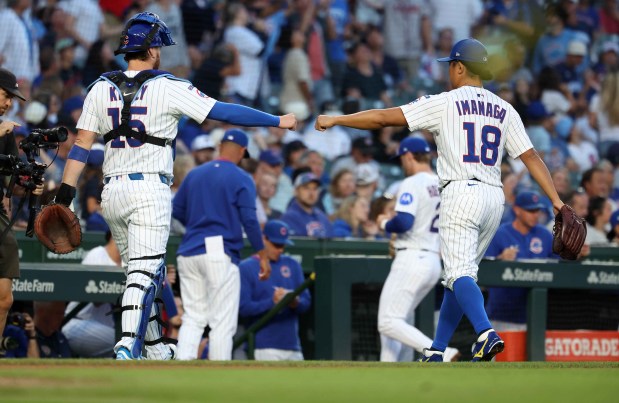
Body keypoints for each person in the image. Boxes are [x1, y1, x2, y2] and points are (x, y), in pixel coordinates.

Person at [54, 12, 296, 361]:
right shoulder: (168, 86)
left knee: (141, 271)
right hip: (149, 189)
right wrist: (276, 119)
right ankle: (127, 344)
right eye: (159, 47)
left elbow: (80, 144)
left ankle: (153, 348)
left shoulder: (100, 87)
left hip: (113, 192)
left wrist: (66, 190)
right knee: (144, 269)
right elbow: (222, 110)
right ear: (151, 50)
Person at [315, 38, 566, 362]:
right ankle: (436, 349)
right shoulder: (505, 108)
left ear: (460, 67)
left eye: (450, 64)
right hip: (494, 197)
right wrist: (557, 201)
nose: (449, 69)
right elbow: (530, 156)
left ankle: (485, 332)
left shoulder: (446, 102)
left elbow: (381, 119)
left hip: (461, 192)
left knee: (459, 274)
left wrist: (337, 119)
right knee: (459, 277)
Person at [173, 129, 271, 361]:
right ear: (242, 151)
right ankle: (219, 373)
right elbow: (250, 219)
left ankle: (182, 366)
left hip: (188, 250)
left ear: (219, 147)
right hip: (219, 249)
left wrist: (199, 225)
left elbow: (176, 210)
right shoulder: (241, 177)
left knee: (193, 317)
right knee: (222, 322)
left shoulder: (195, 174)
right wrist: (262, 255)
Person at [374, 137, 459, 363]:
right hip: (432, 259)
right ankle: (391, 369)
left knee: (388, 321)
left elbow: (403, 222)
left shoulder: (412, 182)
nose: (402, 163)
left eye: (402, 158)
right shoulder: (443, 183)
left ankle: (440, 351)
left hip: (412, 256)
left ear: (409, 156)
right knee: (399, 320)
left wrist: (383, 223)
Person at [0, 68, 43, 352]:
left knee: (4, 298)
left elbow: (12, 182)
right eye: (5, 95)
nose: (7, 104)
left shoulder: (5, 131)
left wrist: (29, 184)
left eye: (11, 99)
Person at [238, 220, 311, 361]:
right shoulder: (246, 267)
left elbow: (306, 302)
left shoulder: (293, 265)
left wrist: (295, 302)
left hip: (293, 345)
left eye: (283, 245)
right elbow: (243, 308)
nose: (280, 249)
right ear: (264, 239)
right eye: (276, 245)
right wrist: (272, 302)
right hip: (264, 346)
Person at [484, 191, 556, 331]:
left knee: (533, 353)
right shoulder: (500, 233)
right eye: (530, 210)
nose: (536, 215)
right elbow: (483, 269)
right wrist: (500, 259)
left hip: (536, 316)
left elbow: (560, 264)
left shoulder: (544, 235)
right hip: (501, 315)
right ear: (517, 210)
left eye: (537, 210)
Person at [62, 231, 120, 358]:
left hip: (103, 330)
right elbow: (97, 299)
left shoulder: (129, 264)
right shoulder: (97, 254)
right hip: (77, 324)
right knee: (123, 344)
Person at [280, 172, 333, 238]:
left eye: (315, 188)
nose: (311, 193)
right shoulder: (289, 218)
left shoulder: (322, 216)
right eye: (306, 188)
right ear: (296, 191)